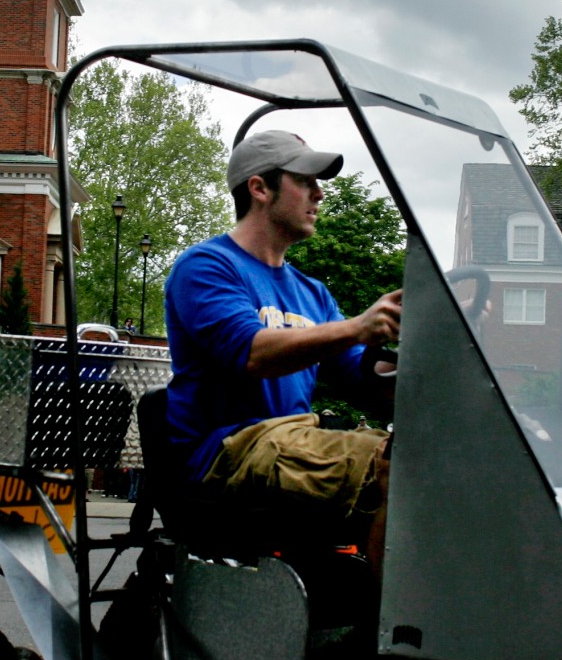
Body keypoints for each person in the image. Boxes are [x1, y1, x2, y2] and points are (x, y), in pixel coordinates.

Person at [164, 130, 400, 563]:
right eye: (306, 180)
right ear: (260, 188)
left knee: (428, 462)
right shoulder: (206, 267)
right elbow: (251, 352)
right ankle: (392, 629)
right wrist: (357, 327)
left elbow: (362, 379)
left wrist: (431, 359)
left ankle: (360, 611)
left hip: (294, 439)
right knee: (392, 468)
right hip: (228, 452)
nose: (320, 193)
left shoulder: (312, 292)